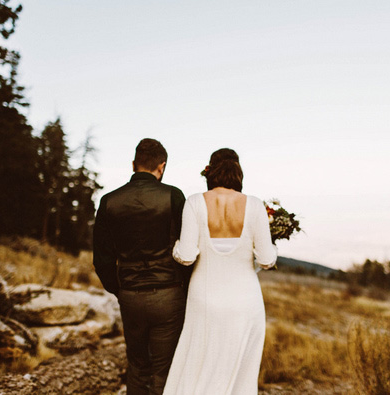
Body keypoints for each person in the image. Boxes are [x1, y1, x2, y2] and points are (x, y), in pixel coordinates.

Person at [163, 148, 277, 395]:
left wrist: (174, 248)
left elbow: (186, 256)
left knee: (199, 364)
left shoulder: (195, 202)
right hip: (245, 302)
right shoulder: (255, 205)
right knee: (241, 375)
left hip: (205, 299)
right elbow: (267, 260)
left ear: (210, 171)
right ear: (238, 171)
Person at [93, 138, 188, 395]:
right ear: (162, 166)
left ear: (134, 164)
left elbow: (101, 258)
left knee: (137, 367)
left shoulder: (109, 201)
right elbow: (187, 249)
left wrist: (120, 288)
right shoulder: (173, 196)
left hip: (130, 295)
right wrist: (183, 289)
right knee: (163, 370)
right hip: (168, 295)